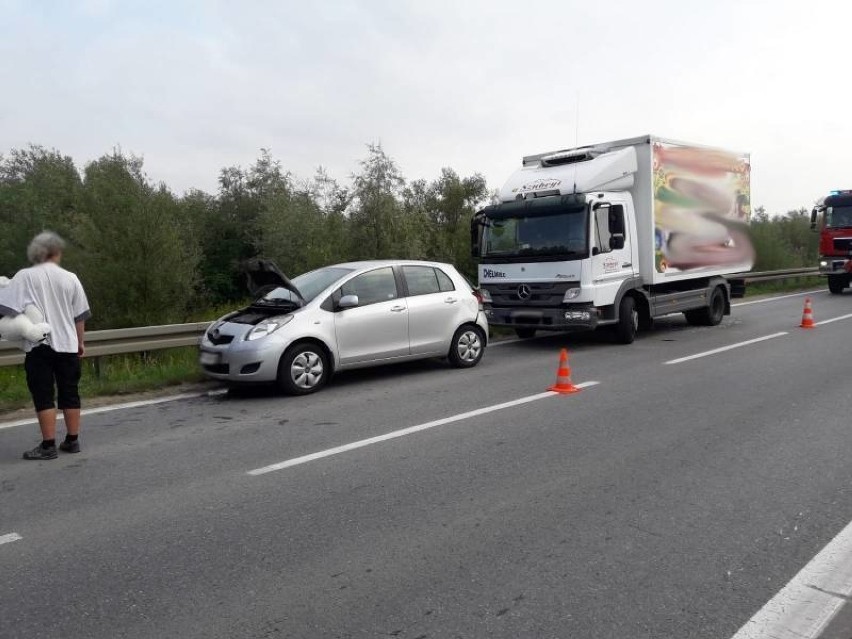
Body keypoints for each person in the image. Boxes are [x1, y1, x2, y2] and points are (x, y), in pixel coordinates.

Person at [3, 232, 91, 460]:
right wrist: (80, 342)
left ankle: (48, 446)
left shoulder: (24, 276)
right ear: (57, 253)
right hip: (69, 344)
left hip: (40, 345)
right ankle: (72, 440)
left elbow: (8, 310)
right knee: (70, 393)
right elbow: (79, 316)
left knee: (43, 394)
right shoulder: (71, 278)